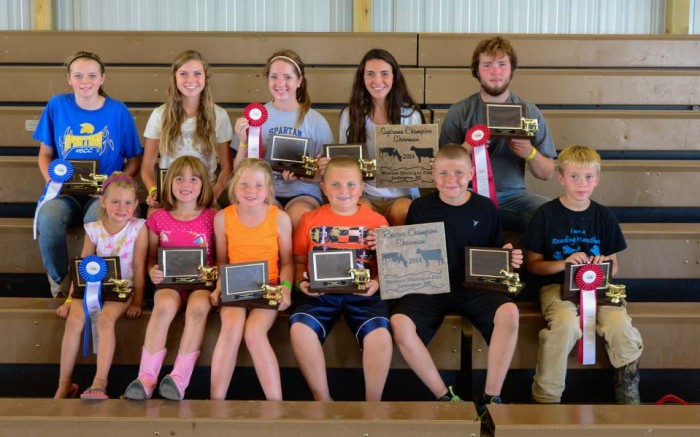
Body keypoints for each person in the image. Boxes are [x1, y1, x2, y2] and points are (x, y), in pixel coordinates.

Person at [390, 145, 520, 415]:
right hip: (430, 287)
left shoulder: (485, 208)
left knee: (509, 311)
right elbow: (409, 252)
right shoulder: (420, 208)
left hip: (474, 287)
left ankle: (491, 397)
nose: (451, 180)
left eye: (459, 172)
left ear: (472, 173)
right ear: (433, 174)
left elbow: (495, 256)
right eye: (443, 173)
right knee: (399, 322)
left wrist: (507, 258)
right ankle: (445, 398)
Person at [519, 145, 642, 404]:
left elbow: (615, 266)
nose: (581, 183)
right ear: (561, 178)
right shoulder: (545, 215)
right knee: (564, 326)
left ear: (596, 180)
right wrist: (564, 263)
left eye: (588, 177)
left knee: (620, 327)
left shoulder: (604, 216)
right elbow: (533, 265)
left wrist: (602, 264)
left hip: (599, 289)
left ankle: (628, 394)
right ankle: (546, 399)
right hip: (555, 287)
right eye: (574, 177)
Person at [34, 50, 143, 297]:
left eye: (92, 75)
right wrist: (53, 182)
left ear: (102, 79)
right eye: (79, 75)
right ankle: (60, 285)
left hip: (101, 196)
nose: (86, 81)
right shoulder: (57, 106)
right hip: (65, 194)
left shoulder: (117, 111)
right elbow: (44, 154)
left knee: (99, 221)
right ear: (69, 79)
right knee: (48, 218)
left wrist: (113, 186)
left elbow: (135, 159)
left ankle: (97, 286)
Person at [290, 156, 392, 401]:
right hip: (321, 295)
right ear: (323, 187)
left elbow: (390, 267)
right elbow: (299, 262)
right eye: (335, 185)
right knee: (300, 330)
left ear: (361, 187)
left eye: (350, 185)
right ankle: (323, 400)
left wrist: (377, 283)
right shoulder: (309, 220)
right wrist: (300, 283)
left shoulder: (377, 222)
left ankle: (373, 404)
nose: (343, 191)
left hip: (363, 294)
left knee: (380, 335)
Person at [438, 36, 556, 232]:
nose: (495, 71)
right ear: (477, 71)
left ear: (512, 69)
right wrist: (468, 147)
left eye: (502, 64)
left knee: (553, 215)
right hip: (466, 195)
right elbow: (442, 167)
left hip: (514, 198)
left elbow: (547, 173)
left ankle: (536, 264)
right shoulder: (460, 111)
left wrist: (529, 152)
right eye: (487, 65)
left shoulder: (529, 111)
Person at [124, 156, 216, 401]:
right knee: (163, 306)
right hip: (169, 283)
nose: (186, 184)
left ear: (203, 184)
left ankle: (179, 378)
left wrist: (213, 272)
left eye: (193, 179)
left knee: (197, 309)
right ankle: (146, 378)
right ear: (168, 183)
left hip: (201, 284)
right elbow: (152, 257)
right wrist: (153, 270)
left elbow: (222, 257)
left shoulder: (213, 217)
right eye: (179, 178)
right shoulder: (158, 217)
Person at [54, 173, 147, 399]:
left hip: (121, 290)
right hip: (89, 288)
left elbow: (139, 265)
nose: (121, 208)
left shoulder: (138, 228)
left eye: (127, 203)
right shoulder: (93, 229)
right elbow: (83, 266)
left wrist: (137, 300)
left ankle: (99, 382)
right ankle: (64, 383)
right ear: (103, 202)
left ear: (135, 205)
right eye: (115, 201)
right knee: (74, 320)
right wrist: (69, 299)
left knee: (104, 321)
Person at [209, 159, 293, 400]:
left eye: (258, 185)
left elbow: (287, 262)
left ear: (268, 190)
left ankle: (275, 403)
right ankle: (216, 402)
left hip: (268, 287)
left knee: (254, 332)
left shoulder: (279, 218)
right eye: (244, 184)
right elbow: (222, 259)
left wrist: (285, 289)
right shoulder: (223, 217)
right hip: (235, 286)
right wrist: (219, 285)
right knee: (232, 327)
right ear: (234, 187)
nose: (250, 191)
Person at [232, 49, 334, 228]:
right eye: (274, 77)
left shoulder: (316, 121)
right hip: (263, 193)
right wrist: (242, 141)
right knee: (270, 219)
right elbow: (238, 171)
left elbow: (327, 175)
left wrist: (303, 177)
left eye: (287, 77)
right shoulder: (256, 116)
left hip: (304, 193)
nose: (280, 83)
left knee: (299, 218)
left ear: (299, 81)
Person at [337, 48, 425, 226]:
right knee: (359, 216)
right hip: (365, 194)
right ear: (363, 79)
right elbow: (342, 161)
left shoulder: (410, 115)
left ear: (394, 77)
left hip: (402, 195)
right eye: (370, 74)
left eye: (384, 74)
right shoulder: (350, 115)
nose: (377, 81)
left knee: (403, 213)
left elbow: (421, 166)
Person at [141, 49, 233, 208]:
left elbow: (227, 168)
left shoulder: (219, 115)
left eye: (197, 73)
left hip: (203, 194)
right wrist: (154, 191)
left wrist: (213, 195)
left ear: (206, 78)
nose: (191, 79)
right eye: (183, 74)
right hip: (169, 194)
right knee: (154, 223)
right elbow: (147, 167)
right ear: (174, 78)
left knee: (217, 223)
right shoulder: (159, 115)